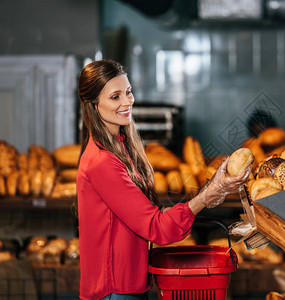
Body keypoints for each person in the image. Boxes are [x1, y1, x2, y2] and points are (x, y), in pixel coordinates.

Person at [76, 59, 250, 300]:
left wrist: (212, 192)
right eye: (115, 97)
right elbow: (156, 227)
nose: (127, 102)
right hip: (114, 291)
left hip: (130, 283)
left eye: (128, 92)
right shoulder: (102, 161)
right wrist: (207, 196)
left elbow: (143, 213)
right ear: (94, 105)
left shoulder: (120, 146)